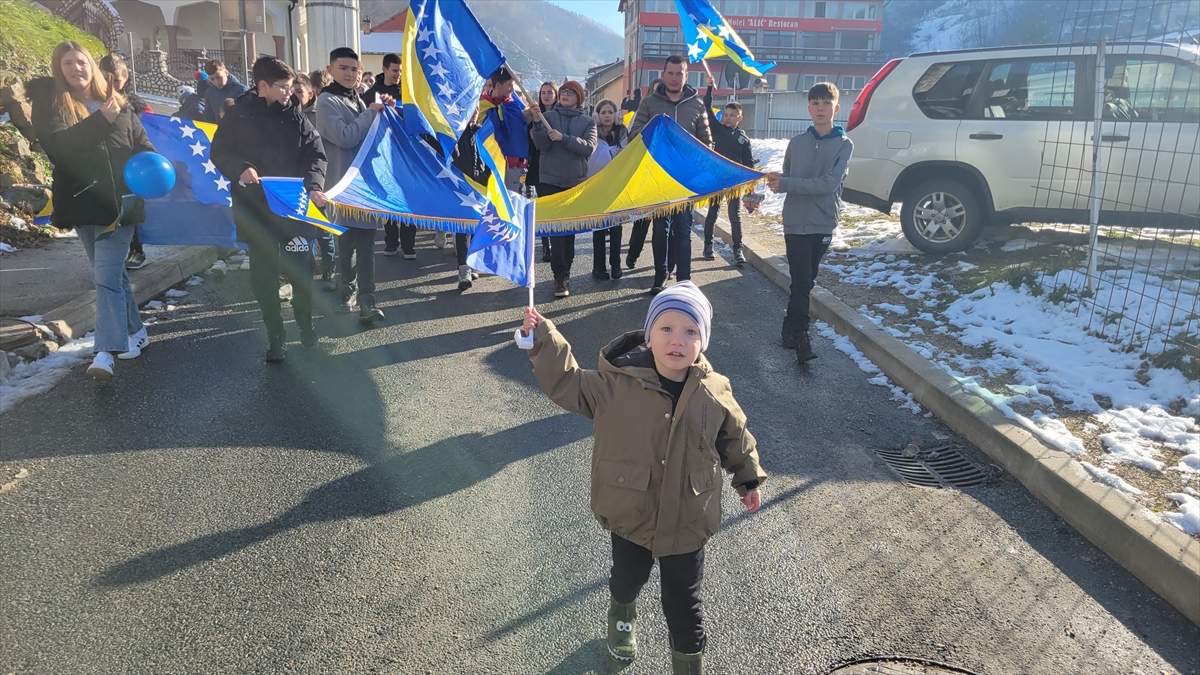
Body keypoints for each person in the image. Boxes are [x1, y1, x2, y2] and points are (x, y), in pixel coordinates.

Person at [518, 281, 765, 675]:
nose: (677, 341)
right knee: (627, 577)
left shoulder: (714, 390)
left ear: (703, 341)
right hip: (631, 507)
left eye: (690, 332)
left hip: (687, 513)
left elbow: (734, 435)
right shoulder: (615, 383)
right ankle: (621, 615)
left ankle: (688, 663)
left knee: (684, 602)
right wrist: (542, 340)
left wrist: (748, 478)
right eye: (666, 329)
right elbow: (568, 383)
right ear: (649, 335)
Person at [30, 41, 156, 379]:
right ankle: (136, 332)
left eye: (81, 61)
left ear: (93, 66)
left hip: (121, 206)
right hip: (82, 203)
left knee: (104, 278)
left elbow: (142, 145)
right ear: (60, 69)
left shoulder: (120, 105)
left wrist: (154, 164)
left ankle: (105, 351)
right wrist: (101, 120)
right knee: (112, 276)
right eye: (67, 63)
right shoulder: (52, 105)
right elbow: (61, 150)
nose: (76, 68)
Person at [211, 56, 327, 363]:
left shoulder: (296, 116)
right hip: (255, 210)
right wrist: (241, 168)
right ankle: (276, 336)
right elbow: (219, 152)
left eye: (291, 87)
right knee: (263, 278)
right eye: (283, 87)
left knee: (301, 270)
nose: (290, 93)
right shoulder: (239, 115)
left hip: (292, 210)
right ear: (262, 87)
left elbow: (316, 155)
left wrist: (314, 184)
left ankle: (305, 326)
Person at [766, 82, 852, 364]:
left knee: (805, 281)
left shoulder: (844, 145)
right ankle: (802, 336)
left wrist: (788, 182)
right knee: (802, 280)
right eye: (815, 103)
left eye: (826, 103)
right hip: (794, 222)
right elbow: (787, 178)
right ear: (808, 108)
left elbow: (829, 184)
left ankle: (788, 329)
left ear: (836, 108)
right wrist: (777, 182)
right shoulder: (797, 143)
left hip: (822, 223)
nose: (820, 108)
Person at [316, 47, 392, 325]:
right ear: (330, 69)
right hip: (342, 186)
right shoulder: (326, 102)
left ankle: (367, 300)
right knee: (346, 245)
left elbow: (369, 135)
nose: (350, 73)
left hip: (364, 187)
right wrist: (371, 113)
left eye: (354, 69)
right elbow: (344, 137)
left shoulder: (357, 99)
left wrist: (384, 114)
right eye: (344, 68)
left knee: (367, 246)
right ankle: (344, 290)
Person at [628, 56, 711, 294]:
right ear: (663, 75)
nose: (675, 78)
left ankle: (684, 280)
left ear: (686, 76)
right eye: (671, 73)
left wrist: (700, 168)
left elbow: (707, 143)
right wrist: (656, 129)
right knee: (660, 229)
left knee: (684, 230)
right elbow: (634, 136)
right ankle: (659, 276)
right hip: (657, 177)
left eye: (680, 73)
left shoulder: (696, 104)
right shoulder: (649, 102)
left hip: (685, 179)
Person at [530, 80, 596, 298]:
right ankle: (559, 278)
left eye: (571, 92)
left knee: (569, 234)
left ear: (579, 98)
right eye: (564, 92)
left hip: (574, 183)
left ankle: (565, 270)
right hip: (549, 181)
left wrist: (564, 138)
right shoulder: (548, 117)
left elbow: (588, 148)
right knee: (556, 232)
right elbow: (541, 144)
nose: (566, 95)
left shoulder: (587, 122)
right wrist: (537, 124)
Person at [98, 53, 154, 271]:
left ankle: (136, 249)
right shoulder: (90, 102)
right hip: (102, 169)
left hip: (130, 168)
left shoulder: (133, 104)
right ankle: (109, 255)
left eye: (117, 81)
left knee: (129, 212)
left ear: (125, 79)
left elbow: (145, 133)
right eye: (107, 79)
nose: (112, 85)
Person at [701, 83, 754, 266]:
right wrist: (709, 88)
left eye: (733, 115)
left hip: (734, 182)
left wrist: (750, 191)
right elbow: (706, 107)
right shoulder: (716, 129)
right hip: (717, 180)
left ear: (740, 117)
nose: (728, 118)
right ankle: (708, 245)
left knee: (735, 216)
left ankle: (737, 250)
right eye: (726, 114)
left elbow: (749, 165)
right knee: (712, 213)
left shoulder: (743, 139)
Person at [623, 79, 660, 272]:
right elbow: (633, 137)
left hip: (664, 178)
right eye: (655, 91)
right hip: (645, 175)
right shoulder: (644, 111)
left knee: (663, 230)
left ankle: (662, 266)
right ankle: (633, 254)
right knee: (641, 223)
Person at [589, 99, 627, 281]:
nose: (606, 115)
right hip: (597, 184)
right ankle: (599, 267)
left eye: (610, 112)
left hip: (616, 184)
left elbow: (628, 154)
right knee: (599, 227)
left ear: (615, 114)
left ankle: (616, 265)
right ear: (597, 114)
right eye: (603, 112)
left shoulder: (622, 132)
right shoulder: (592, 131)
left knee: (616, 228)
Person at [525, 81, 557, 263]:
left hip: (554, 164)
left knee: (553, 205)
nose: (546, 95)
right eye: (543, 92)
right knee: (542, 206)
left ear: (556, 95)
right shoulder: (532, 114)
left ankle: (556, 241)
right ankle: (546, 245)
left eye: (550, 92)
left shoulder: (559, 115)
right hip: (536, 164)